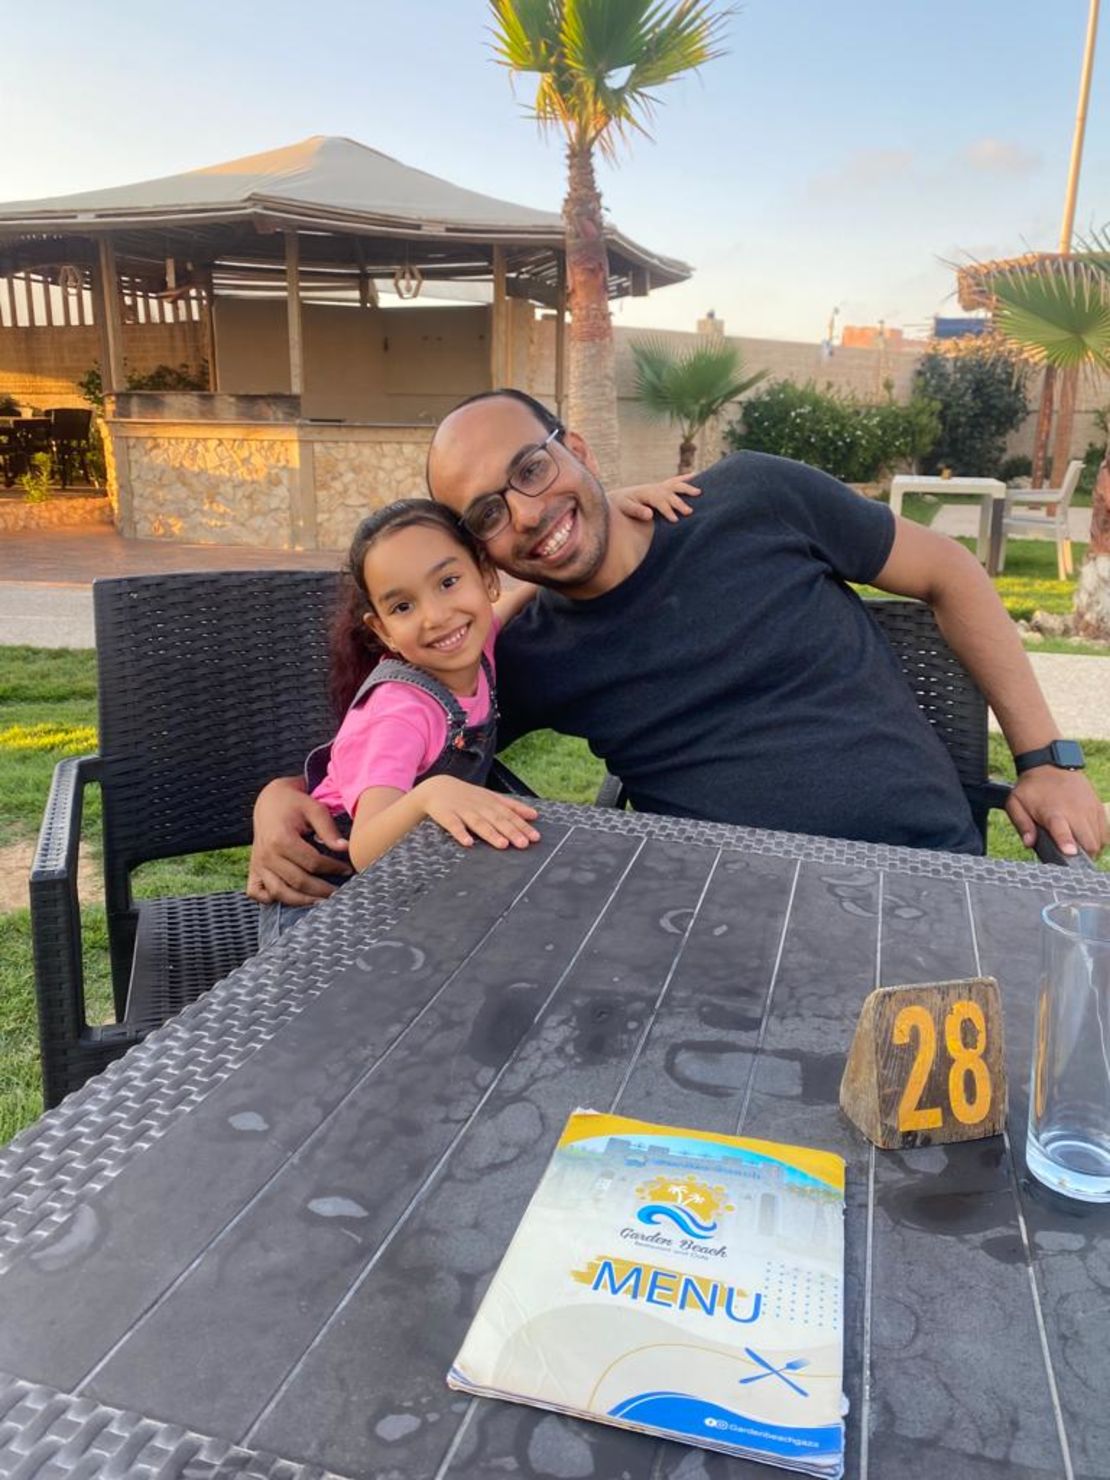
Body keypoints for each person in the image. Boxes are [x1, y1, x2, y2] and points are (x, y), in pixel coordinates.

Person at [248, 388, 1106, 908]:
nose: (526, 513)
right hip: (715, 920)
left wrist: (1048, 759)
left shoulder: (754, 497)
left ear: (574, 450)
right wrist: (281, 798)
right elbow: (402, 748)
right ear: (480, 553)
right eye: (485, 514)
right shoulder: (527, 653)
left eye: (532, 470)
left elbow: (950, 569)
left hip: (921, 880)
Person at [254, 469, 699, 924]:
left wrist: (608, 506)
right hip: (326, 895)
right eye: (403, 606)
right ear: (382, 630)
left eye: (448, 583)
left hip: (409, 876)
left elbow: (533, 582)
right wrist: (434, 793)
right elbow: (367, 846)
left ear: (486, 579)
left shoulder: (475, 643)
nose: (437, 617)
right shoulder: (399, 712)